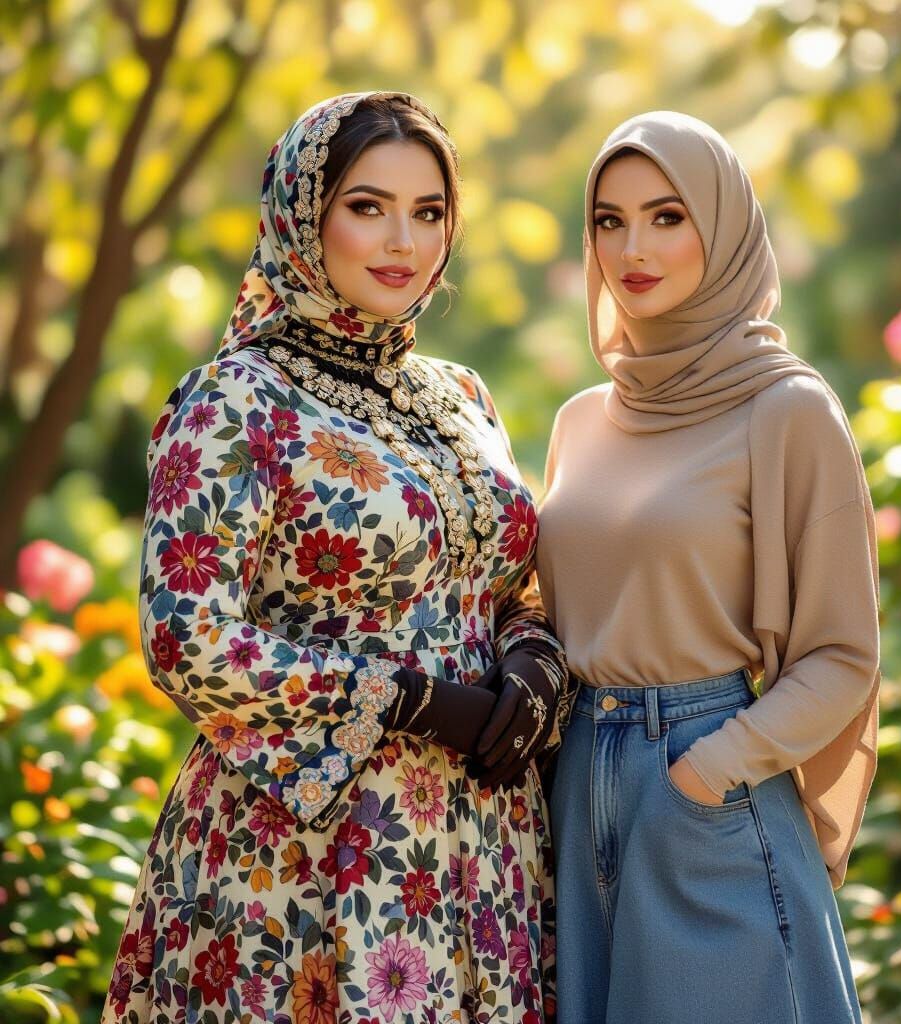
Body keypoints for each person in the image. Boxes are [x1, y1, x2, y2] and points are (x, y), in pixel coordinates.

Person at [102, 91, 569, 1024]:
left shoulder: (461, 396)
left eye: (428, 212)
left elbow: (504, 577)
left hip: (481, 847)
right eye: (367, 206)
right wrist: (401, 699)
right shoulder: (234, 400)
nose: (403, 240)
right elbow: (187, 639)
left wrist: (532, 656)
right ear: (302, 216)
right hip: (304, 858)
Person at [536, 111, 881, 1023]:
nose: (632, 247)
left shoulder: (787, 412)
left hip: (707, 788)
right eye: (609, 220)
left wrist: (707, 770)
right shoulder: (578, 423)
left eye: (667, 216)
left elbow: (843, 656)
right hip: (576, 794)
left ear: (722, 228)